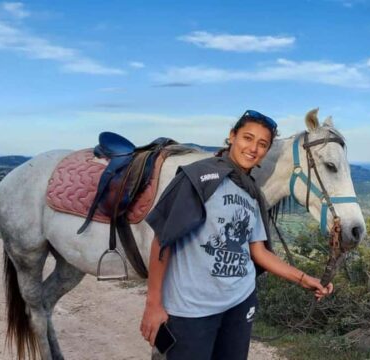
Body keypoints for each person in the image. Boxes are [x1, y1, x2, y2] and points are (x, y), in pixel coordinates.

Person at [140, 110, 333, 360]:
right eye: (247, 138)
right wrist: (153, 304)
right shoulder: (198, 177)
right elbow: (162, 241)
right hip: (191, 310)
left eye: (262, 144)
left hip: (239, 303)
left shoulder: (251, 192)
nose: (253, 148)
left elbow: (258, 251)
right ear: (232, 137)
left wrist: (304, 278)